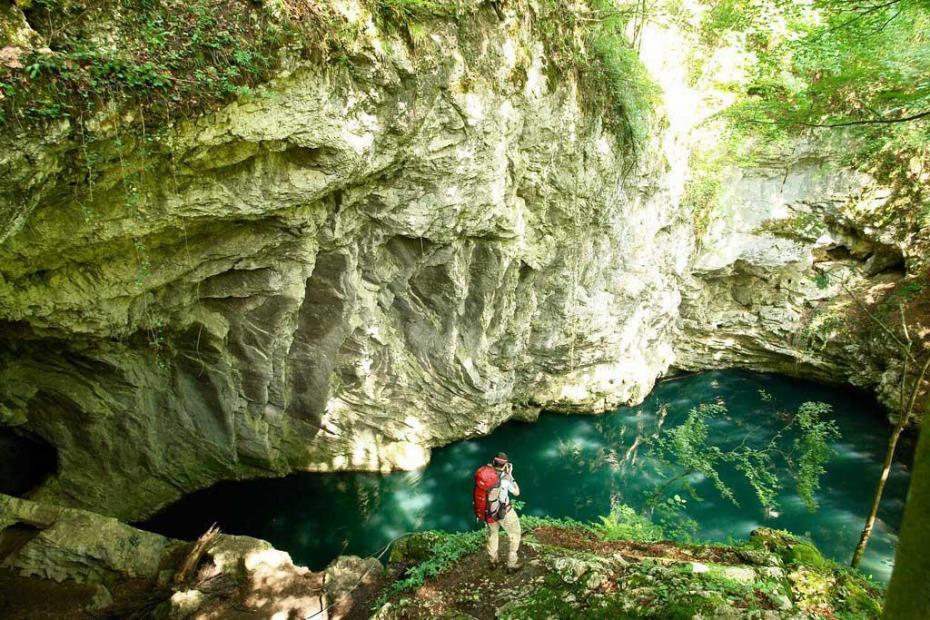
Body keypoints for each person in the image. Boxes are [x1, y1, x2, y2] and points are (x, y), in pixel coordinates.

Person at [473, 452, 522, 571]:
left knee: (493, 535)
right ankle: (511, 564)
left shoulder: (485, 475)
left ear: (493, 462)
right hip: (504, 512)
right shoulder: (505, 479)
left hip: (488, 511)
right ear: (505, 465)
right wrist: (511, 475)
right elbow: (517, 492)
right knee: (515, 534)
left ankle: (493, 561)